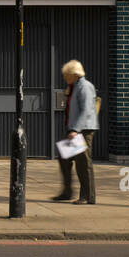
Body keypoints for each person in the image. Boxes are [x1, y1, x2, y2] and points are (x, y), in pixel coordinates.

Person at [52, 59, 99, 205]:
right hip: (76, 130)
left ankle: (87, 196)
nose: (65, 77)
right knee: (64, 157)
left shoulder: (84, 86)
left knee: (83, 163)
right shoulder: (74, 86)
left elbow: (86, 110)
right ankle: (67, 192)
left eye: (67, 75)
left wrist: (75, 129)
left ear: (75, 74)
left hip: (83, 130)